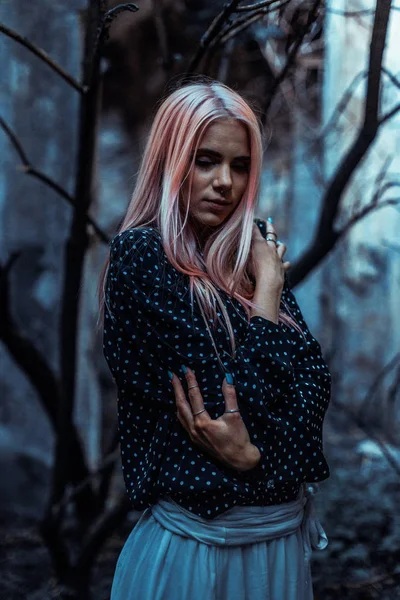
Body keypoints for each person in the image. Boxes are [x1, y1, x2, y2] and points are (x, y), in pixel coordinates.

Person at [99, 79, 331, 600]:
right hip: (198, 552)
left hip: (279, 548)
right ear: (171, 160)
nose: (225, 182)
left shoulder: (251, 256)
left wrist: (253, 459)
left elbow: (313, 391)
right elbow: (228, 403)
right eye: (206, 161)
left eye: (240, 165)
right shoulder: (142, 258)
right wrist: (269, 295)